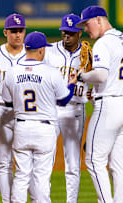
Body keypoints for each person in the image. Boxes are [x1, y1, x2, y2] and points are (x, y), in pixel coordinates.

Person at [75, 6, 123, 203]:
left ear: (99, 20)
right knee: (119, 163)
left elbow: (100, 75)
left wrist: (82, 76)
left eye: (87, 24)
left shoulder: (103, 44)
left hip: (109, 106)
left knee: (94, 161)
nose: (86, 29)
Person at [2, 31, 78, 203]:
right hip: (45, 130)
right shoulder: (51, 72)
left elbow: (7, 102)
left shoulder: (12, 72)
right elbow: (64, 100)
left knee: (21, 176)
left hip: (21, 127)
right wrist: (71, 85)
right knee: (41, 177)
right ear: (41, 50)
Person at [0, 13, 35, 202]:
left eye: (20, 30)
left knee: (26, 164)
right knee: (4, 163)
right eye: (13, 31)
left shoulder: (32, 54)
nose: (17, 35)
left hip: (25, 113)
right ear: (5, 32)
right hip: (0, 113)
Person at [43, 13, 89, 203]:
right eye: (64, 32)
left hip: (75, 111)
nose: (66, 36)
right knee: (45, 161)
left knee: (72, 164)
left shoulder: (89, 55)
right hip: (51, 110)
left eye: (71, 33)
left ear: (79, 33)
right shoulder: (48, 51)